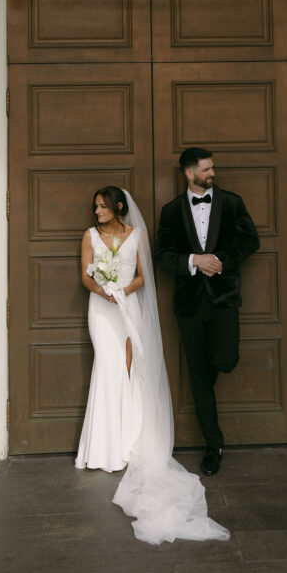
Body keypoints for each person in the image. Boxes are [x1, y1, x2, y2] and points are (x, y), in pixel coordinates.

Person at [75, 185, 229, 545]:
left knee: (128, 369)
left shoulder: (137, 235)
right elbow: (85, 274)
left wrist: (123, 290)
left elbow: (144, 276)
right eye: (94, 206)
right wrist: (102, 290)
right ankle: (101, 447)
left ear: (117, 207)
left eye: (101, 207)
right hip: (101, 310)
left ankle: (127, 438)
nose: (96, 212)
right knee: (107, 365)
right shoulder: (90, 235)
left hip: (127, 305)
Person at [155, 148, 260, 477]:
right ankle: (213, 446)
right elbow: (162, 255)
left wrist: (221, 261)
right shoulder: (171, 211)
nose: (212, 172)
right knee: (199, 378)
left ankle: (209, 407)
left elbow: (250, 240)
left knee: (225, 359)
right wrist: (192, 261)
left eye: (212, 167)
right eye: (206, 168)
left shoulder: (231, 202)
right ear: (189, 174)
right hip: (188, 305)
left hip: (224, 299)